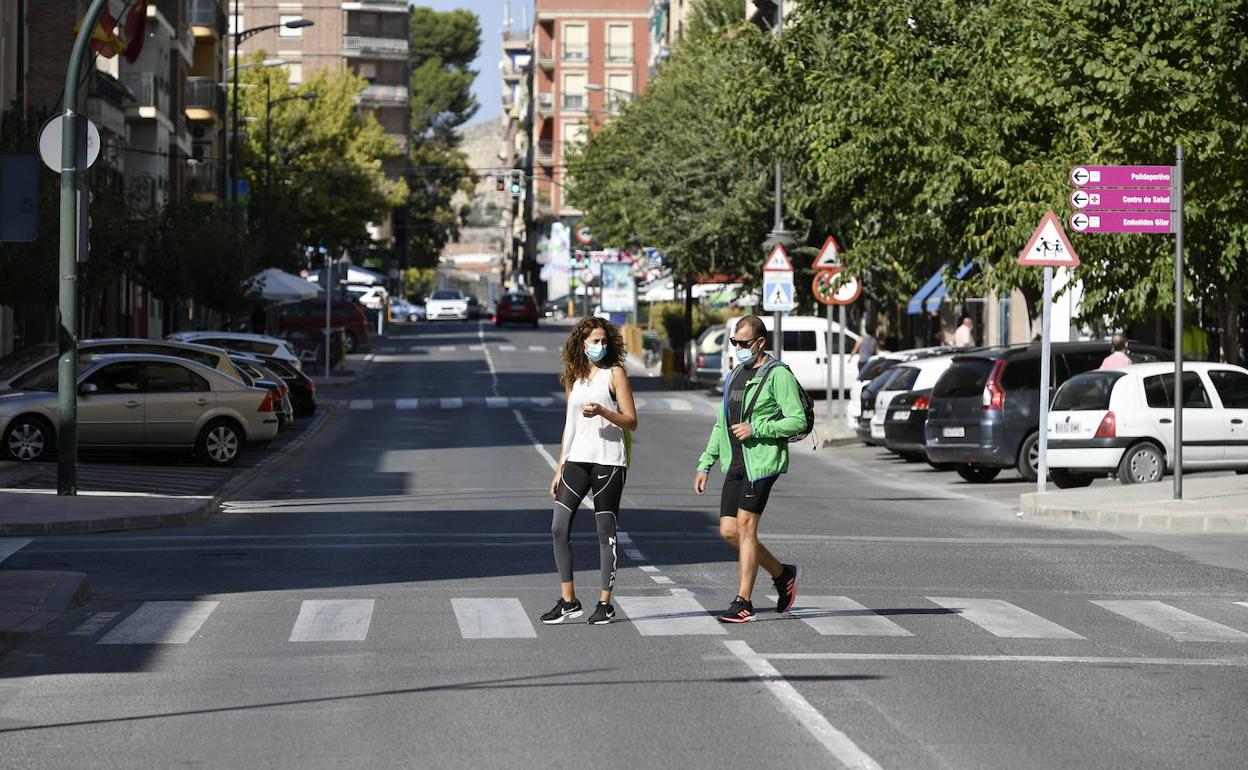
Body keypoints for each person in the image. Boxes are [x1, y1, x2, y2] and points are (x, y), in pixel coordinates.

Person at [693, 316, 801, 623]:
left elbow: (798, 421)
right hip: (736, 462)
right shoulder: (734, 375)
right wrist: (705, 463)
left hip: (763, 463)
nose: (738, 348)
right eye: (734, 342)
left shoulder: (778, 375)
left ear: (760, 343)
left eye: (743, 343)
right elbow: (720, 424)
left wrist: (757, 428)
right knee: (729, 531)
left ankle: (744, 601)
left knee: (746, 528)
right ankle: (782, 575)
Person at [542, 318, 638, 626]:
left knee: (604, 532)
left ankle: (605, 603)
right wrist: (559, 468)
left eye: (603, 341)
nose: (600, 346)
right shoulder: (576, 377)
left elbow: (631, 421)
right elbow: (569, 426)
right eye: (594, 341)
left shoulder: (615, 374)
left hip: (608, 461)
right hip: (577, 461)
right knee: (558, 527)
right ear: (581, 344)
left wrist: (603, 411)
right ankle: (568, 601)